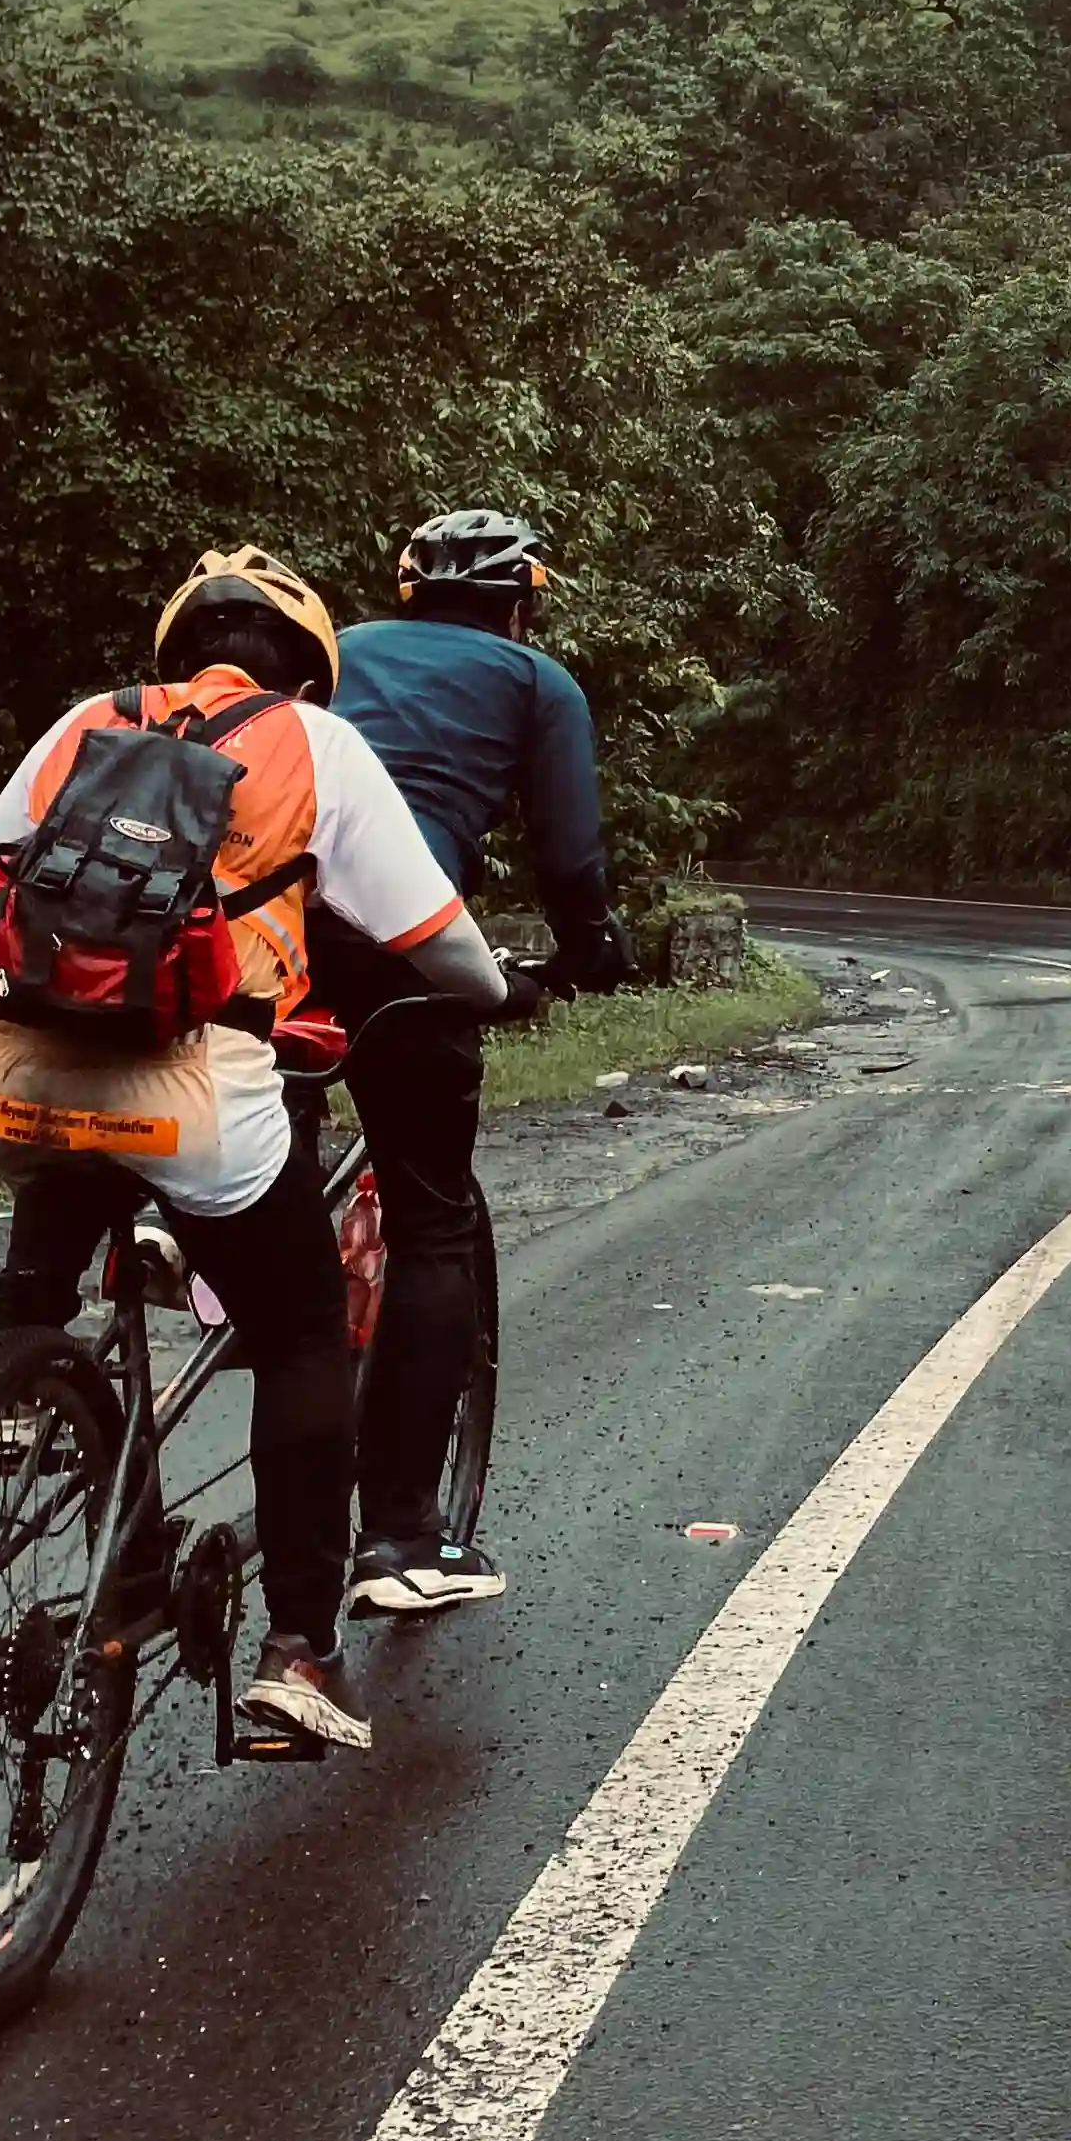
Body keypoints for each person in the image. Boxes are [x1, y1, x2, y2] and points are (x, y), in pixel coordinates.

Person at [0, 547, 513, 1753]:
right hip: (201, 1097)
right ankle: (302, 1649)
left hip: (6, 1076)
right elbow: (433, 933)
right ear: (309, 668)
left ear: (177, 648)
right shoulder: (316, 745)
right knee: (303, 1329)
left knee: (70, 1155)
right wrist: (493, 988)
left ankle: (28, 1379)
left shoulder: (86, 723)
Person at [320, 507, 634, 1617]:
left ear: (406, 596)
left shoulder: (335, 652)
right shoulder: (534, 680)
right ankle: (403, 1533)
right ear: (520, 602)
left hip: (256, 934)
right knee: (431, 1219)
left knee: (245, 1148)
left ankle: (187, 1246)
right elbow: (569, 853)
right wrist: (592, 950)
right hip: (401, 951)